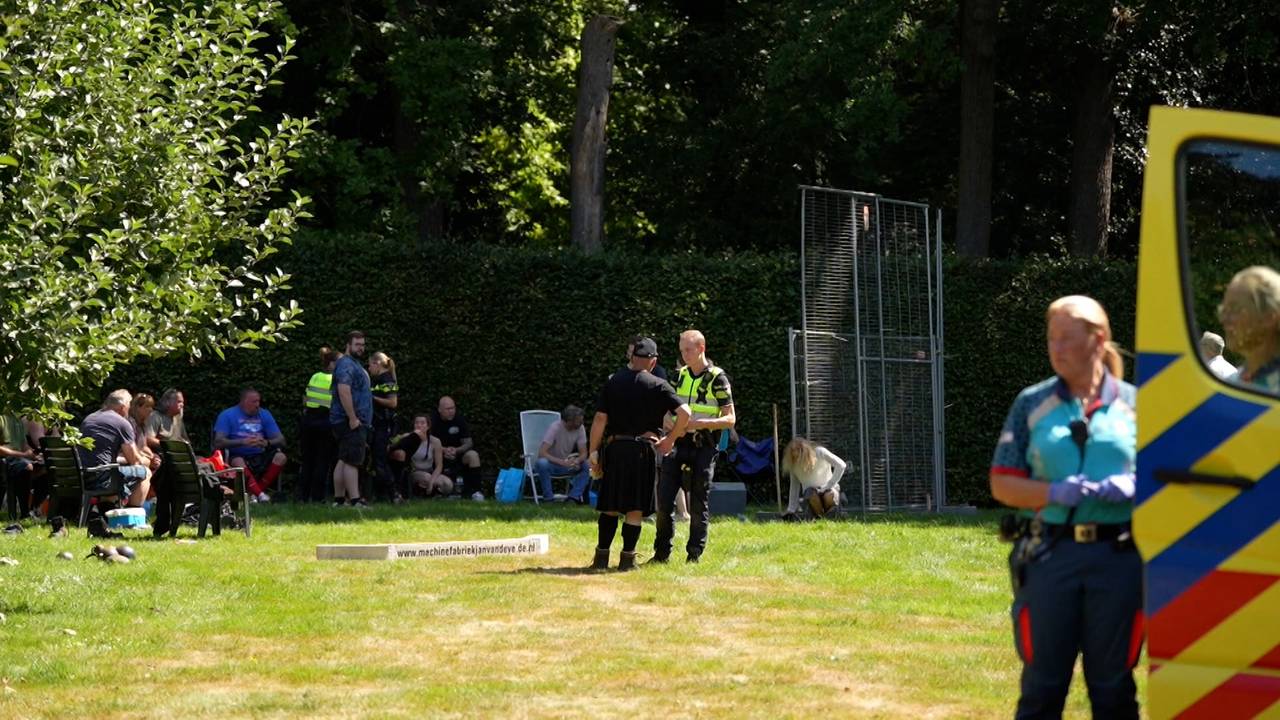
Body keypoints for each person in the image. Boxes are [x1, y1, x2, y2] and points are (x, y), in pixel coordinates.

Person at [989, 295, 1141, 719]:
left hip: (1118, 558)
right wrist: (1052, 493)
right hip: (1051, 556)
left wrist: (1135, 484)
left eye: (1067, 339)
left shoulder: (1137, 404)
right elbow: (1002, 482)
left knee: (1114, 690)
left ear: (1099, 340)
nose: (1056, 348)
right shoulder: (1031, 404)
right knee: (1041, 688)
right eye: (1051, 338)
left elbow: (1167, 477)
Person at [588, 337, 691, 571]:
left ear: (633, 358)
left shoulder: (612, 382)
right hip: (643, 451)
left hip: (615, 448)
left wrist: (593, 451)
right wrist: (670, 439)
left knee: (610, 505)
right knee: (635, 507)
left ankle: (601, 558)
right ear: (653, 362)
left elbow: (600, 419)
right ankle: (627, 560)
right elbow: (684, 412)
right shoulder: (659, 385)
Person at [654, 329, 735, 564]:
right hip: (677, 443)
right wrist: (668, 421)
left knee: (699, 502)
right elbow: (664, 411)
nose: (684, 355)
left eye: (688, 350)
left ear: (701, 348)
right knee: (664, 500)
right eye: (681, 350)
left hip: (704, 446)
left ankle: (694, 556)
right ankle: (661, 554)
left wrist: (699, 423)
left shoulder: (717, 378)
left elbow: (730, 419)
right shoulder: (677, 377)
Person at [78, 390, 151, 533]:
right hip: (102, 477)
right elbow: (135, 460)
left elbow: (99, 455)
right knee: (145, 472)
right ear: (123, 406)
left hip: (83, 475)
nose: (130, 409)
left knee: (118, 471)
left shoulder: (89, 418)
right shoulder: (122, 423)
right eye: (129, 405)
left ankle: (107, 515)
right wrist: (146, 461)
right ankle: (131, 518)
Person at [213, 386, 287, 503]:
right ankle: (261, 495)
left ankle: (255, 494)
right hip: (238, 455)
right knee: (238, 462)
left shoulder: (264, 414)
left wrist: (266, 442)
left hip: (260, 453)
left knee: (281, 457)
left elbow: (281, 440)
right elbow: (218, 442)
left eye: (258, 401)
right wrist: (242, 442)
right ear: (244, 402)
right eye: (254, 402)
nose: (257, 405)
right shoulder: (227, 415)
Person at [1219, 265, 1280, 392]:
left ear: (1269, 317)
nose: (1223, 320)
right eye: (1224, 310)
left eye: (1234, 310)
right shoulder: (1233, 382)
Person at [331, 331, 371, 507]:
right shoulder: (347, 364)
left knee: (343, 459)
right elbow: (343, 390)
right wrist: (353, 418)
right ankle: (355, 501)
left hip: (346, 419)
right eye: (357, 344)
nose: (361, 348)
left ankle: (339, 501)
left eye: (363, 344)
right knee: (352, 461)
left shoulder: (351, 363)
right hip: (350, 420)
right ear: (348, 345)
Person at [299, 348, 338, 503]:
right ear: (332, 364)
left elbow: (305, 399)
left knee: (308, 460)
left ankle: (302, 496)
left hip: (309, 421)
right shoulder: (335, 379)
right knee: (323, 461)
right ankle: (318, 497)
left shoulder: (315, 376)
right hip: (326, 421)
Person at [535, 405, 591, 503]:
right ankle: (548, 499)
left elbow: (584, 453)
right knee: (542, 463)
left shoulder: (580, 428)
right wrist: (561, 462)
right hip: (551, 465)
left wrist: (577, 460)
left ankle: (573, 498)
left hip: (566, 465)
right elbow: (542, 453)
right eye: (579, 420)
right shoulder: (555, 428)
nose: (582, 422)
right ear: (569, 421)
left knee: (586, 464)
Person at [431, 396, 484, 501]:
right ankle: (436, 492)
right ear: (440, 409)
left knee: (473, 455)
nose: (451, 411)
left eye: (453, 408)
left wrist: (456, 450)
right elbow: (427, 442)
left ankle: (475, 492)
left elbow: (468, 443)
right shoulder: (432, 421)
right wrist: (443, 450)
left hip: (458, 455)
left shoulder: (459, 420)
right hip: (439, 457)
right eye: (448, 409)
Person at [780, 437, 846, 520]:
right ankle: (821, 520)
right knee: (810, 493)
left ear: (804, 451)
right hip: (810, 495)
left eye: (798, 454)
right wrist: (791, 509)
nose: (796, 459)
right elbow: (794, 488)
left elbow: (841, 465)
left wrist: (829, 485)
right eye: (793, 456)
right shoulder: (793, 465)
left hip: (829, 490)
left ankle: (834, 517)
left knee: (829, 495)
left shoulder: (819, 452)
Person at [390, 414, 451, 497]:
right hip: (414, 472)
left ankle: (431, 492)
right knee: (426, 478)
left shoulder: (435, 441)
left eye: (422, 423)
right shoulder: (407, 437)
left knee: (447, 484)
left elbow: (439, 466)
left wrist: (432, 481)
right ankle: (427, 492)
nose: (419, 425)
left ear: (428, 426)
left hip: (429, 471)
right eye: (417, 423)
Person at [369, 351, 401, 503]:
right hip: (375, 425)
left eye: (370, 365)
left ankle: (395, 494)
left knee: (380, 461)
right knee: (375, 461)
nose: (369, 369)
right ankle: (378, 494)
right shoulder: (376, 380)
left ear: (377, 363)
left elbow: (393, 403)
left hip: (384, 426)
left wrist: (371, 397)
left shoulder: (387, 379)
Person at [0, 414, 38, 519]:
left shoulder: (17, 420)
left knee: (44, 470)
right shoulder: (1, 418)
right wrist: (22, 455)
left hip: (18, 458)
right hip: (5, 459)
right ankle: (24, 512)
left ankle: (33, 510)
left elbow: (24, 444)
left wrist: (33, 455)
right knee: (27, 467)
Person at [126, 394, 163, 483]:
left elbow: (144, 446)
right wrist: (150, 459)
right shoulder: (129, 424)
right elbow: (134, 448)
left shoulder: (142, 425)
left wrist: (153, 456)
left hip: (142, 457)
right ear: (137, 407)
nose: (150, 410)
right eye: (147, 406)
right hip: (131, 459)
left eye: (151, 407)